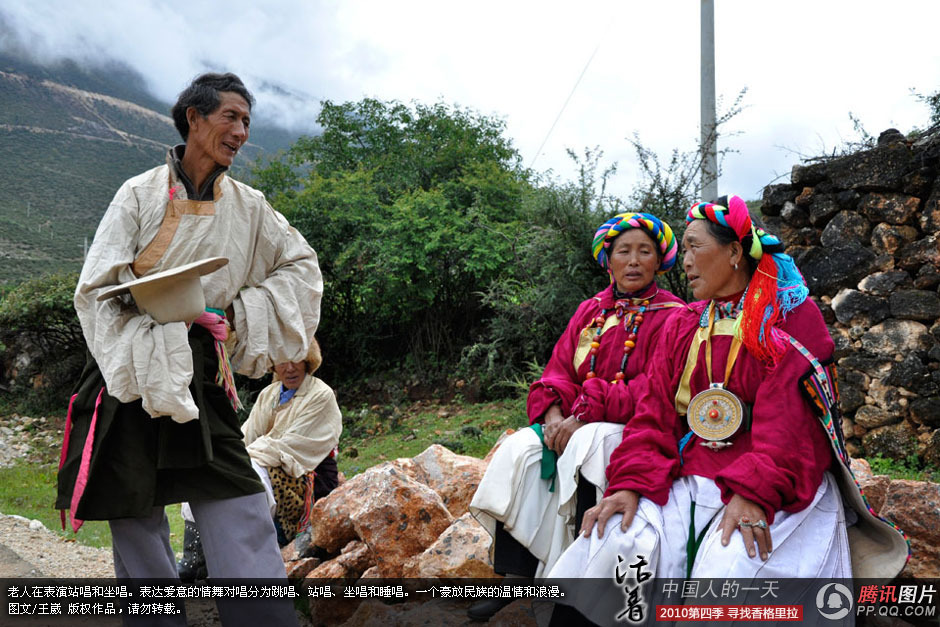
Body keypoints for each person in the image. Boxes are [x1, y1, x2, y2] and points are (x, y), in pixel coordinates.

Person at [547, 195, 909, 626]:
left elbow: (791, 426)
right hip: (693, 471)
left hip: (776, 480)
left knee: (731, 568)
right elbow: (653, 415)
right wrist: (629, 484)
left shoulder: (788, 319)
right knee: (616, 541)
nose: (684, 261)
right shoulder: (685, 324)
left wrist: (755, 494)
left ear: (735, 252)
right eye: (684, 249)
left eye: (694, 246)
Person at [56, 73, 320, 627]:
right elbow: (96, 286)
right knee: (136, 514)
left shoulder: (249, 207)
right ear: (194, 119)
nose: (241, 131)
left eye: (247, 121)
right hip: (129, 370)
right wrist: (140, 334)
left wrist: (238, 315)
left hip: (202, 373)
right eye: (231, 117)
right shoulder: (139, 194)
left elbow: (301, 266)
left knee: (240, 500)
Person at [467, 213, 685, 618]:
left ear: (659, 261)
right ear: (609, 260)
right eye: (624, 251)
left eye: (644, 252)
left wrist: (585, 414)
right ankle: (517, 577)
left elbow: (656, 389)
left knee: (587, 443)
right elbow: (559, 371)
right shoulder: (592, 311)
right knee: (519, 449)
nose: (634, 261)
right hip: (576, 417)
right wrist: (551, 413)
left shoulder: (674, 316)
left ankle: (581, 576)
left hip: (632, 424)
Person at [178, 340, 342, 581]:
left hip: (305, 475)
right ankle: (196, 559)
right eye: (282, 361)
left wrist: (246, 457)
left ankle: (240, 558)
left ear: (307, 361)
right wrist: (229, 457)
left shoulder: (321, 395)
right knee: (208, 471)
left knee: (250, 473)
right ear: (273, 365)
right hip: (265, 460)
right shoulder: (269, 394)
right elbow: (246, 436)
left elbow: (290, 448)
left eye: (296, 359)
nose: (289, 368)